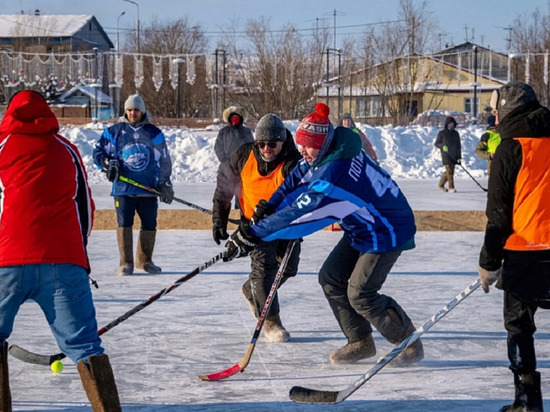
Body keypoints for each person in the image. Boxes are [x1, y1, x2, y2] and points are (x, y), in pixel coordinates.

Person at [223, 102, 423, 366]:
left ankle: (409, 345)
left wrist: (255, 234)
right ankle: (360, 341)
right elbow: (294, 181)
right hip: (362, 227)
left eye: (307, 145)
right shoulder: (326, 149)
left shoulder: (335, 173)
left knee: (361, 293)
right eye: (301, 144)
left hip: (387, 229)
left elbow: (302, 215)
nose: (302, 151)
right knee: (330, 277)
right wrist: (269, 207)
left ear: (323, 141)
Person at [0, 90, 121, 411]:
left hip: (7, 262)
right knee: (86, 346)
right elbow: (85, 208)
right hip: (63, 263)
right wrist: (77, 256)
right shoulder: (66, 149)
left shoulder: (2, 148)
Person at [478, 82, 550, 412]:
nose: (494, 114)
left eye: (496, 108)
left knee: (519, 326)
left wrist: (489, 261)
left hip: (527, 247)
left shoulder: (510, 146)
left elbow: (499, 211)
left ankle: (527, 400)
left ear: (508, 106)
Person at [212, 113, 302, 342]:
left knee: (288, 268)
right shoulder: (244, 154)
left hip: (285, 224)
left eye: (272, 144)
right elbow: (224, 185)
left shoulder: (294, 162)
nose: (266, 148)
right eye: (261, 143)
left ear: (282, 141)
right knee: (263, 271)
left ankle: (251, 289)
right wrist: (219, 220)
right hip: (254, 226)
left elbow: (299, 197)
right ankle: (272, 322)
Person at [93, 94, 174, 275]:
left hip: (148, 189)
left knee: (149, 224)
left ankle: (145, 261)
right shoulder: (114, 132)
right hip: (123, 189)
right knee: (124, 223)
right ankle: (125, 263)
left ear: (142, 111)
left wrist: (165, 182)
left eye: (136, 110)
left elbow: (164, 159)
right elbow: (98, 151)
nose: (132, 113)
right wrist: (107, 163)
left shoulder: (154, 133)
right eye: (129, 110)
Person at [434, 116, 462, 193]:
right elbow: (437, 143)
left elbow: (458, 146)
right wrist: (443, 146)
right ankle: (451, 187)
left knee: (450, 172)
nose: (451, 125)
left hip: (454, 155)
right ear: (447, 124)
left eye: (452, 124)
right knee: (449, 171)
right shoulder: (442, 133)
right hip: (446, 155)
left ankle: (441, 185)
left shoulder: (456, 134)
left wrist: (459, 157)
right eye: (450, 124)